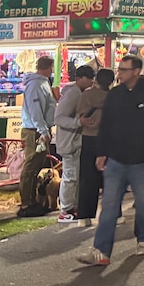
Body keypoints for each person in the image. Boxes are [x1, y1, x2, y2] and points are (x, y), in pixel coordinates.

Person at [79, 55, 144, 266]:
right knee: (110, 205)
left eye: (124, 69)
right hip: (116, 161)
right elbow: (106, 126)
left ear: (136, 71)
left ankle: (142, 237)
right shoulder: (115, 95)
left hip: (142, 161)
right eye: (119, 69)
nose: (119, 73)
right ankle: (101, 250)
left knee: (142, 203)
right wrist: (102, 152)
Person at [52, 64, 95, 224]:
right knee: (70, 177)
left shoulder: (81, 93)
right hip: (69, 143)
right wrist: (79, 122)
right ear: (80, 78)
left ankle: (73, 207)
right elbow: (59, 118)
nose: (92, 81)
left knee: (75, 177)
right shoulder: (72, 94)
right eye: (89, 78)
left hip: (76, 142)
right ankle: (65, 210)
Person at [18, 55, 58, 215]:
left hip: (39, 129)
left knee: (35, 168)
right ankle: (26, 203)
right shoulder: (36, 85)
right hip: (35, 131)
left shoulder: (41, 83)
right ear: (49, 68)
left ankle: (33, 200)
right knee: (30, 167)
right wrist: (43, 131)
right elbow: (36, 112)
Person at [76, 66, 113, 228]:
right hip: (108, 139)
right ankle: (112, 214)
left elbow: (80, 113)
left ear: (96, 79)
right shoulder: (114, 97)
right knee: (110, 179)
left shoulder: (87, 95)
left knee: (87, 178)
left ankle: (84, 216)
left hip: (89, 137)